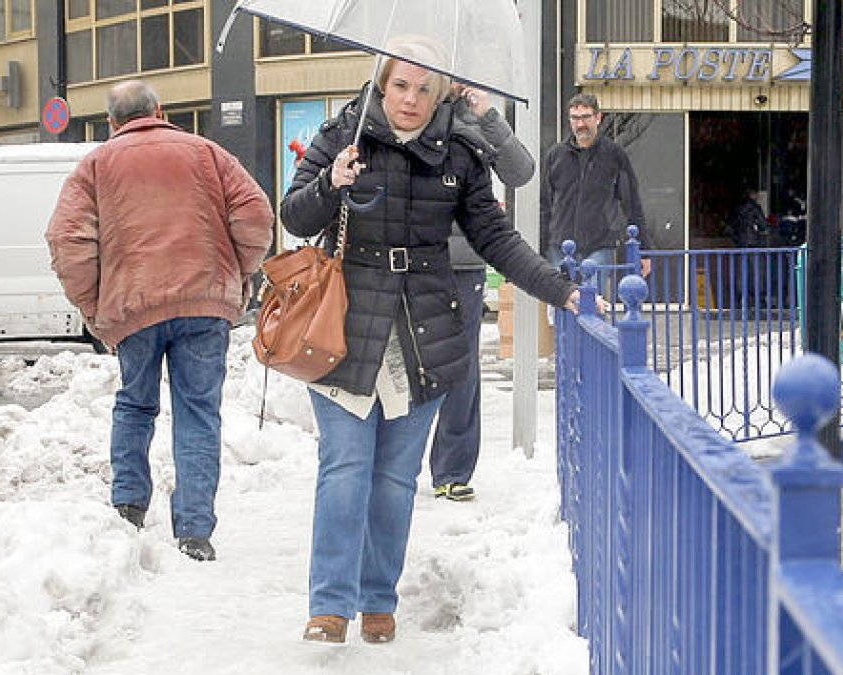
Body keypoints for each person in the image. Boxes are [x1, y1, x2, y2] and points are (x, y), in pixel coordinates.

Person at [279, 36, 580, 645]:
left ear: (440, 92)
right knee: (344, 469)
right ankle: (330, 605)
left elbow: (495, 237)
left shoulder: (461, 151)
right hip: (343, 329)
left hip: (424, 333)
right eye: (400, 86)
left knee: (394, 478)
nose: (410, 100)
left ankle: (377, 596)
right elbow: (294, 217)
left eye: (423, 88)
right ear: (381, 85)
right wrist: (330, 183)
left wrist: (558, 289)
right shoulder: (344, 133)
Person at [45, 79, 274, 562]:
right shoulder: (208, 153)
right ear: (161, 110)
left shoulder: (95, 166)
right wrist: (241, 270)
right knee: (198, 412)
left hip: (133, 308)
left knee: (134, 405)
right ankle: (194, 531)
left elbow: (68, 240)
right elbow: (255, 215)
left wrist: (94, 305)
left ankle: (128, 505)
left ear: (112, 123)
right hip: (203, 303)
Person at [428, 85, 536, 503]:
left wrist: (489, 116)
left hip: (464, 263)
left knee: (462, 367)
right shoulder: (413, 103)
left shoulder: (478, 116)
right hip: (411, 259)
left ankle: (452, 469)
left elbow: (520, 171)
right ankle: (394, 464)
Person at [540, 92, 652, 278]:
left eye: (586, 117)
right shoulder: (555, 156)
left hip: (600, 246)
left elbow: (631, 204)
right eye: (575, 118)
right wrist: (541, 247)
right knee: (563, 304)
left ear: (598, 118)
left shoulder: (615, 155)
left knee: (592, 304)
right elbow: (544, 205)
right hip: (559, 247)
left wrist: (645, 249)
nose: (580, 124)